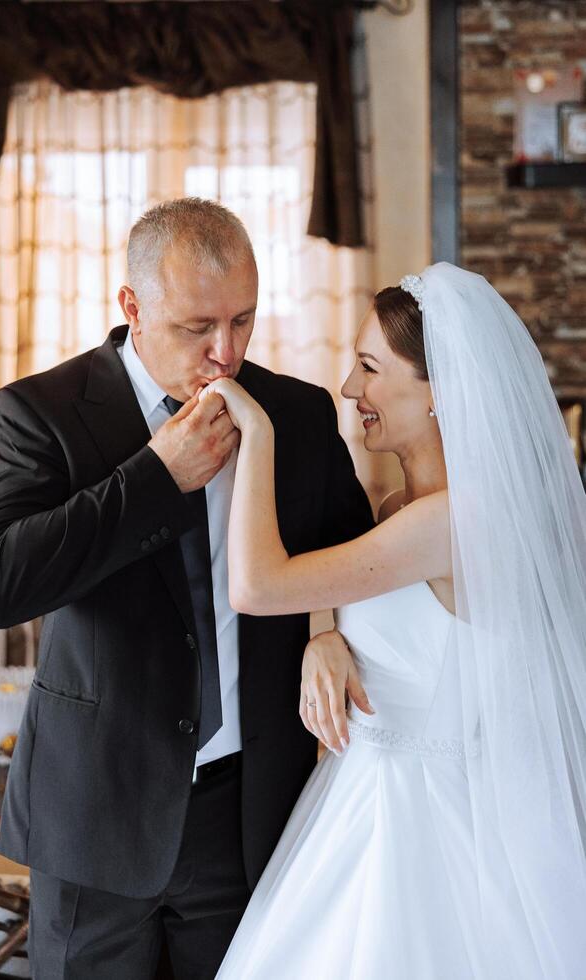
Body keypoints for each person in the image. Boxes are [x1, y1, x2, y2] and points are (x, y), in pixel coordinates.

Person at [0, 198, 373, 979]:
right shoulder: (43, 412)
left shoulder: (295, 412)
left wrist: (325, 628)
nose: (226, 352)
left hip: (248, 808)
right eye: (198, 328)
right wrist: (154, 478)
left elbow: (347, 556)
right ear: (132, 307)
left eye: (243, 322)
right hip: (94, 812)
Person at [207, 262, 586, 980]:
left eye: (370, 369)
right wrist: (325, 633)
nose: (351, 390)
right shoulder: (399, 516)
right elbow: (344, 577)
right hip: (360, 795)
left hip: (422, 829)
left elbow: (257, 586)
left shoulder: (454, 522)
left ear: (440, 391)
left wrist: (257, 429)